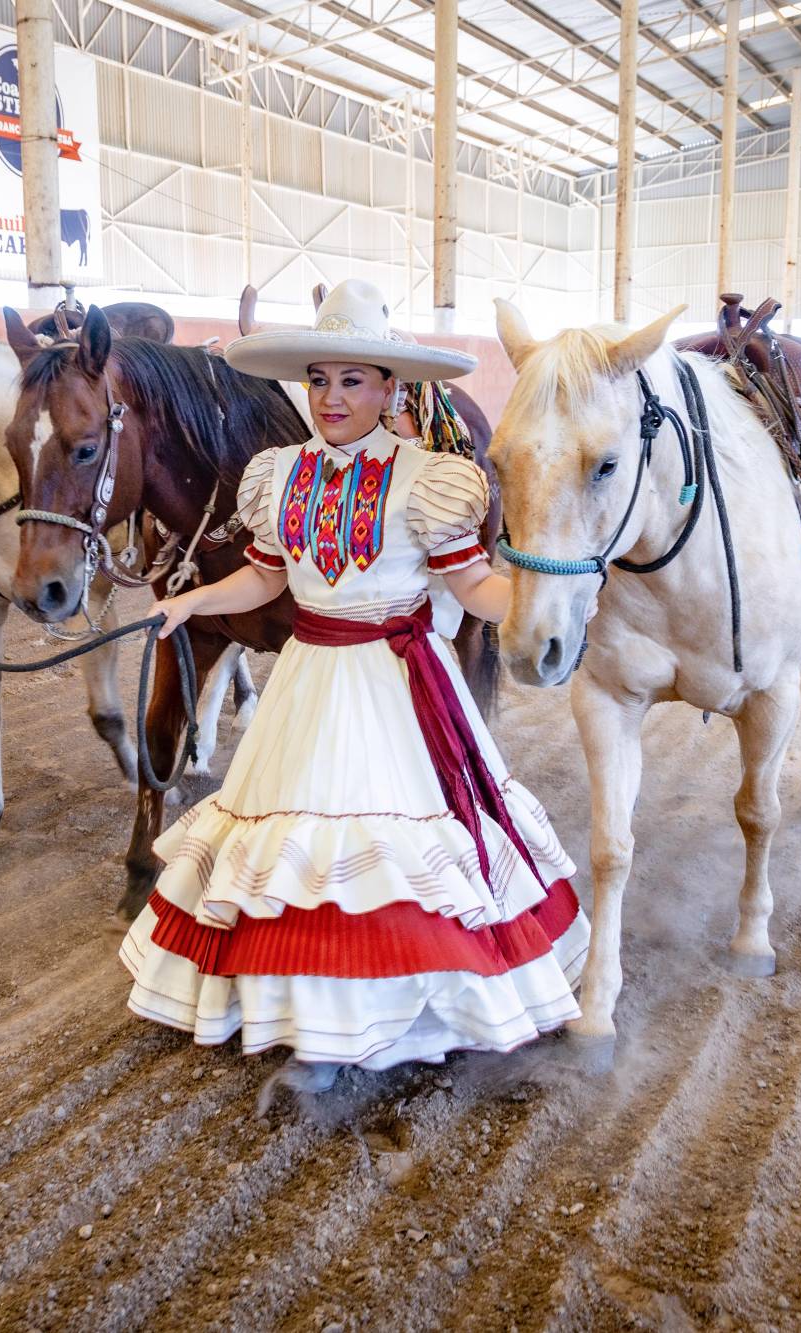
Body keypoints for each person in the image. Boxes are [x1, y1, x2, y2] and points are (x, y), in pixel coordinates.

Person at [120, 280, 590, 1091]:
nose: (332, 397)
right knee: (303, 865)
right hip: (309, 681)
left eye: (352, 380)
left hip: (395, 685)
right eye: (320, 380)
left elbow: (474, 586)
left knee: (382, 859)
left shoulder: (429, 480)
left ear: (389, 389)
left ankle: (392, 1014)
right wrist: (190, 600)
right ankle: (315, 1021)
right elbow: (266, 579)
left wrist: (545, 595)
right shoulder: (279, 476)